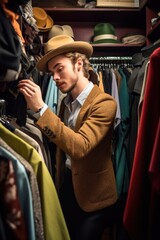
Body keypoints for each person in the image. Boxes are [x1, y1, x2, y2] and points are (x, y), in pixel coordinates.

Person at [18, 35, 118, 240]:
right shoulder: (66, 103)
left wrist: (41, 110)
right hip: (68, 191)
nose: (54, 77)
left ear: (79, 64)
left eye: (59, 68)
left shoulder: (105, 104)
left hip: (94, 198)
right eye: (52, 71)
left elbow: (79, 147)